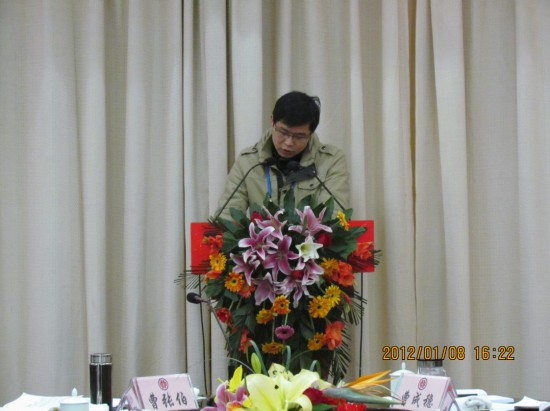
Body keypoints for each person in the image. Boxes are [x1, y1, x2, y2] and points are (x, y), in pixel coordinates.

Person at [216, 91, 350, 219]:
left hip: (310, 236)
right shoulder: (248, 161)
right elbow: (227, 214)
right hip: (260, 236)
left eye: (299, 136)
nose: (289, 142)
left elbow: (333, 216)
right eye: (283, 132)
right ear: (272, 121)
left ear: (311, 133)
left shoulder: (331, 161)